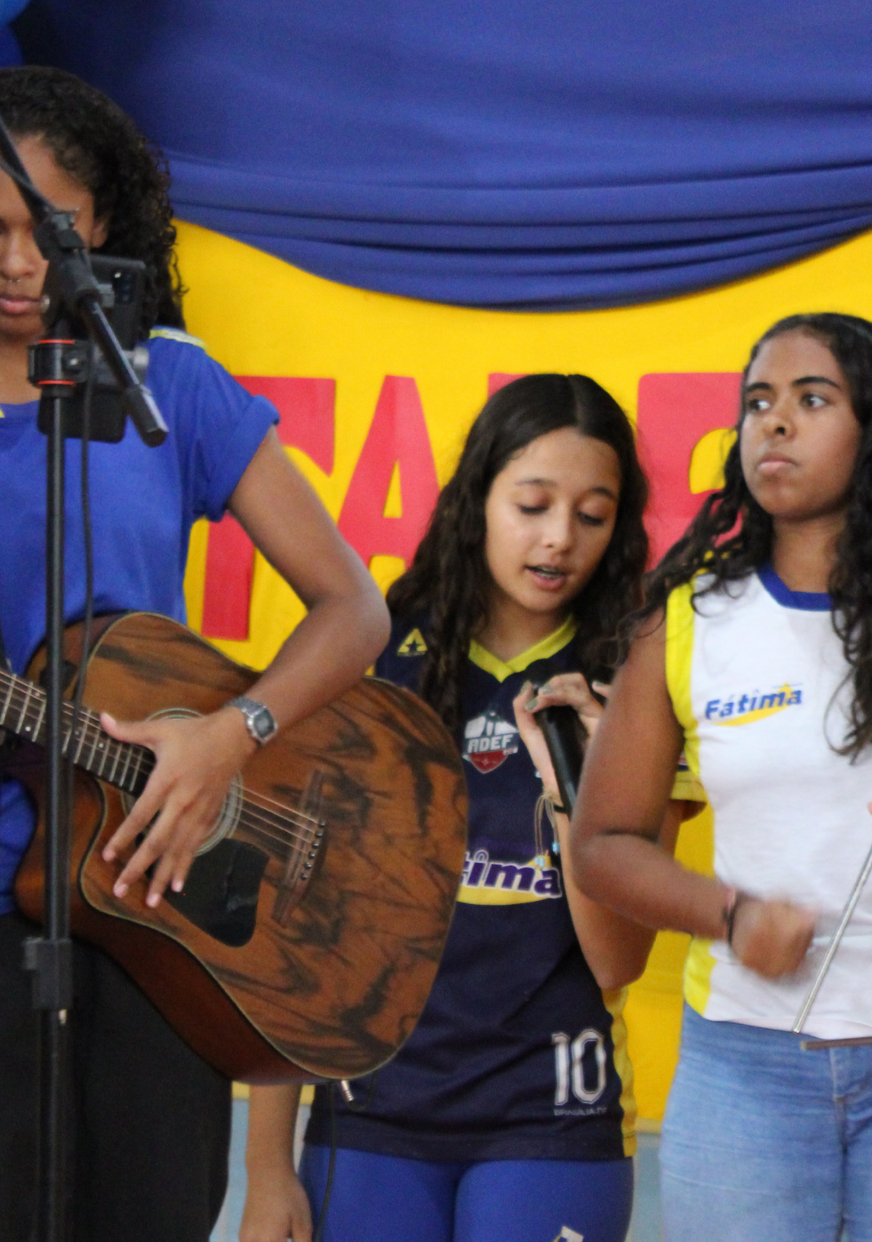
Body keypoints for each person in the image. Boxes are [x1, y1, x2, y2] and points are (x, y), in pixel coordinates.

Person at [0, 65, 391, 1242]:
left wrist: (227, 737)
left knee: (155, 1210)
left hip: (155, 873)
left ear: (106, 229)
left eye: (49, 234)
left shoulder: (174, 385)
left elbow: (353, 610)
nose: (11, 265)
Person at [239, 373, 690, 1242]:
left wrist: (580, 789)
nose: (559, 539)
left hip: (553, 1120)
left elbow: (617, 962)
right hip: (370, 1114)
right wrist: (264, 1168)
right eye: (532, 504)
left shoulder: (638, 679)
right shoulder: (370, 657)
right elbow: (293, 923)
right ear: (476, 499)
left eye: (592, 516)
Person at [571, 314, 872, 1242]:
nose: (775, 424)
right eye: (758, 402)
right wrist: (730, 916)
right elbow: (602, 847)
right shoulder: (685, 622)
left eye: (811, 400)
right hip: (745, 1064)